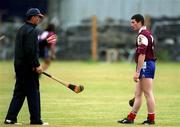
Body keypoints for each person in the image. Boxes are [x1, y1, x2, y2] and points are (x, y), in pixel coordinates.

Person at [4, 8, 48, 125]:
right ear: (32, 17)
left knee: (19, 93)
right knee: (33, 92)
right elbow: (30, 51)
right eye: (38, 17)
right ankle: (36, 119)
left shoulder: (21, 29)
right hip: (29, 68)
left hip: (19, 67)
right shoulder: (32, 32)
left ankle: (10, 118)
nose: (39, 19)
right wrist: (36, 65)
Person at [118, 14, 156, 125]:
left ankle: (151, 119)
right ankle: (130, 118)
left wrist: (137, 71)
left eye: (133, 22)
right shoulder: (147, 33)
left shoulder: (142, 36)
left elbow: (142, 55)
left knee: (148, 93)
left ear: (140, 22)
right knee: (138, 93)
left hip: (145, 65)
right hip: (148, 64)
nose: (132, 25)